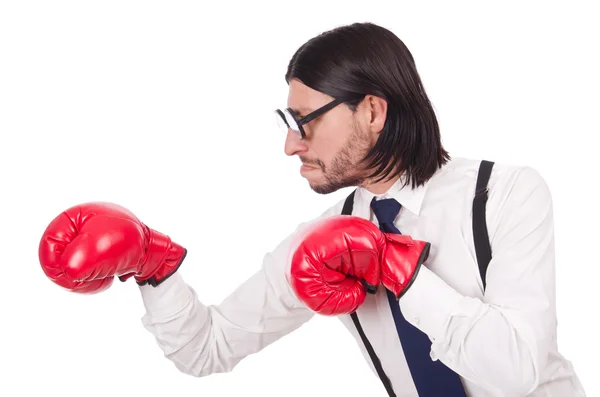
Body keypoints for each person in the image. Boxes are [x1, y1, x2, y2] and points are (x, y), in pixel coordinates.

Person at [38, 22, 586, 396]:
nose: (292, 144)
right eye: (289, 122)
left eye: (307, 121)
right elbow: (209, 347)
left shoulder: (506, 194)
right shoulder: (325, 239)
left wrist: (398, 270)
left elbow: (517, 372)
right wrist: (154, 269)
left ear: (372, 110)